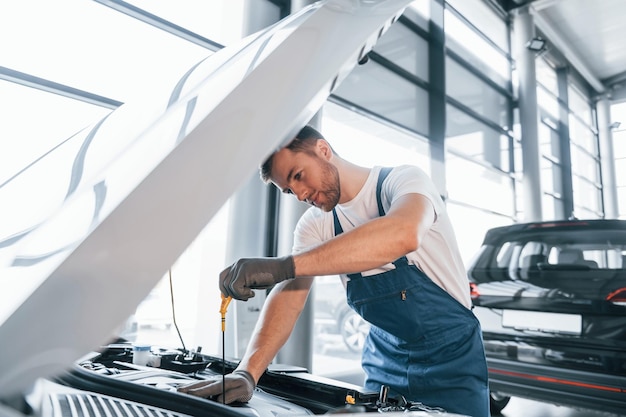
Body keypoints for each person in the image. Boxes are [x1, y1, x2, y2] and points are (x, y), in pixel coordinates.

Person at [178, 125, 490, 417]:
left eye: (298, 175)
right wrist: (248, 372)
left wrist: (283, 266)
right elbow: (290, 295)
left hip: (453, 363)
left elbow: (403, 233)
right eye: (289, 190)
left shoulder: (403, 182)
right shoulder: (316, 225)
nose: (299, 194)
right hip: (385, 365)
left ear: (323, 150)